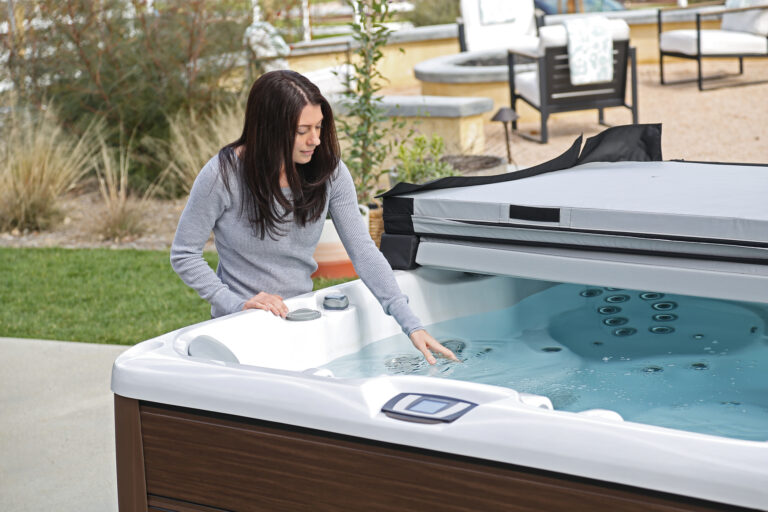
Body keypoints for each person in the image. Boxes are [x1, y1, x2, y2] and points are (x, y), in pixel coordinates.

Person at [171, 70, 457, 365]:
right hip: (240, 327)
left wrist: (412, 325)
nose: (316, 140)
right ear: (269, 129)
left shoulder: (330, 172)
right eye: (302, 130)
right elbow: (184, 254)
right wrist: (235, 303)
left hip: (301, 319)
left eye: (319, 127)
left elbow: (363, 251)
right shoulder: (222, 174)